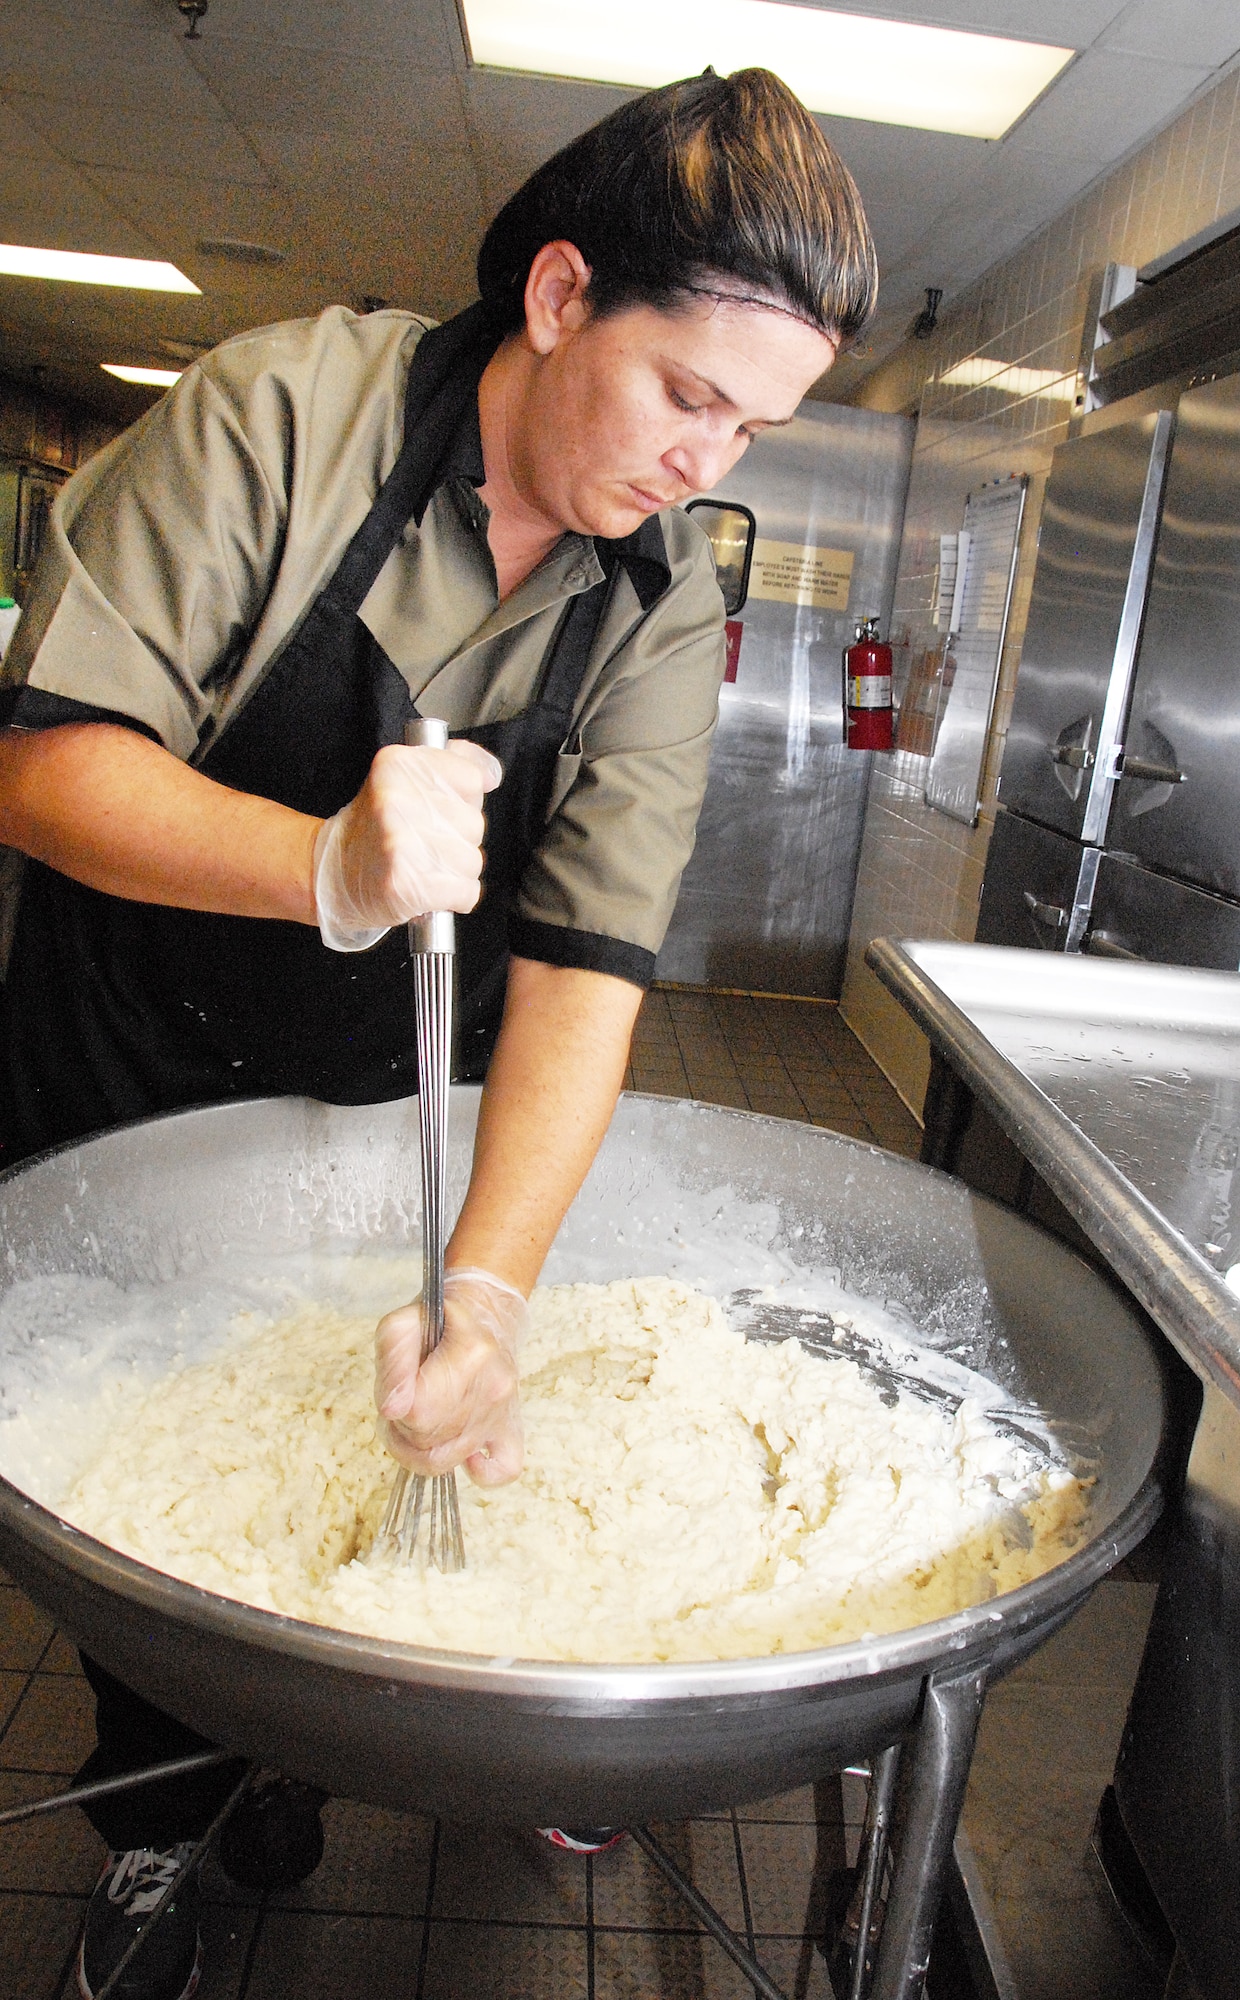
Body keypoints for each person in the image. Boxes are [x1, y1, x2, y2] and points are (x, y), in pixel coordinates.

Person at [0, 67, 875, 2000]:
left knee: (388, 1434)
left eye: (754, 427)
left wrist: (483, 1294)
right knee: (162, 1543)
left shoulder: (659, 602)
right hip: (132, 1054)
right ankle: (173, 1832)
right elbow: (48, 767)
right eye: (687, 393)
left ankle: (371, 1741)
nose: (703, 460)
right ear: (561, 293)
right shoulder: (281, 417)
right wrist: (324, 863)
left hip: (386, 1090)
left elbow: (583, 968)